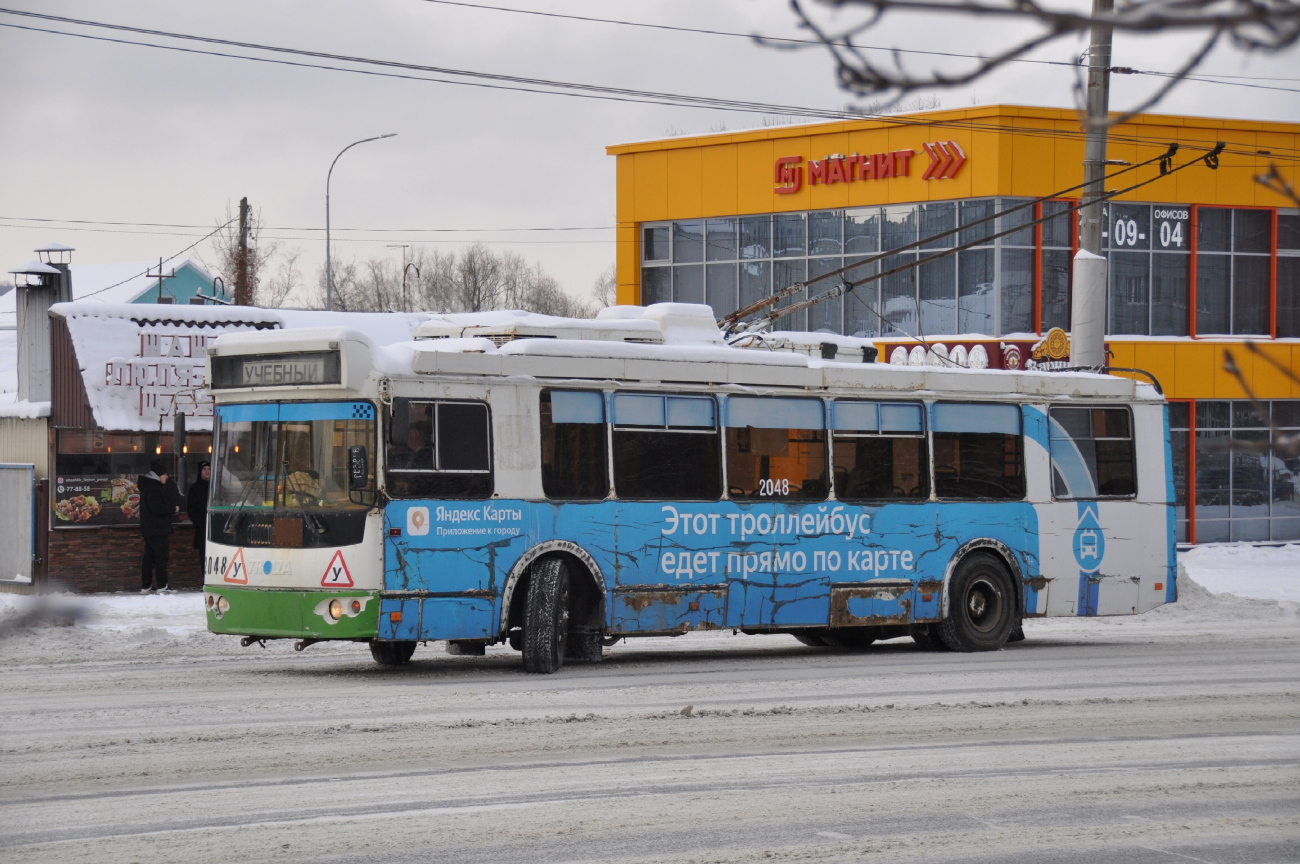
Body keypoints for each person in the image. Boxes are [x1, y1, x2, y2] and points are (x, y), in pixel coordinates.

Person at [139, 459, 180, 593]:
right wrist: (173, 508)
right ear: (158, 475)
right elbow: (157, 508)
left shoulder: (149, 486)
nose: (167, 477)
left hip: (151, 529)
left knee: (149, 558)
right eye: (165, 475)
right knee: (161, 557)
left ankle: (146, 585)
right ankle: (162, 585)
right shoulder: (153, 488)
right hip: (158, 529)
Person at [187, 461, 211, 578]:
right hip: (202, 529)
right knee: (204, 555)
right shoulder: (195, 489)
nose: (207, 471)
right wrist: (199, 523)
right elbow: (190, 509)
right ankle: (205, 579)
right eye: (204, 469)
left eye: (208, 469)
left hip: (216, 528)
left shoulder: (216, 488)